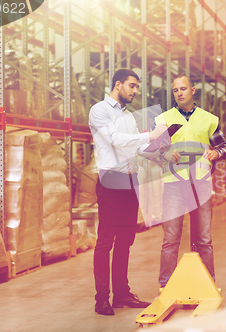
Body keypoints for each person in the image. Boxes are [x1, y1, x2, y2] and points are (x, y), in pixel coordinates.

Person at [89, 69, 167, 315]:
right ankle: (102, 298)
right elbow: (113, 139)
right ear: (118, 84)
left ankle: (121, 294)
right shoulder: (99, 110)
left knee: (125, 240)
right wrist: (148, 135)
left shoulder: (129, 116)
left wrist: (159, 146)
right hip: (111, 180)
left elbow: (137, 146)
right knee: (105, 241)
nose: (135, 91)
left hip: (130, 181)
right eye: (132, 86)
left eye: (137, 88)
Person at [145, 75, 226, 288]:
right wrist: (164, 155)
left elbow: (225, 146)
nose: (180, 93)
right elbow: (151, 150)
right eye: (175, 90)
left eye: (183, 89)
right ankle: (165, 285)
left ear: (193, 90)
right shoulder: (163, 119)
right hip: (174, 184)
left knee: (203, 239)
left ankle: (207, 284)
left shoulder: (209, 119)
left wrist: (216, 154)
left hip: (201, 184)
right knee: (171, 238)